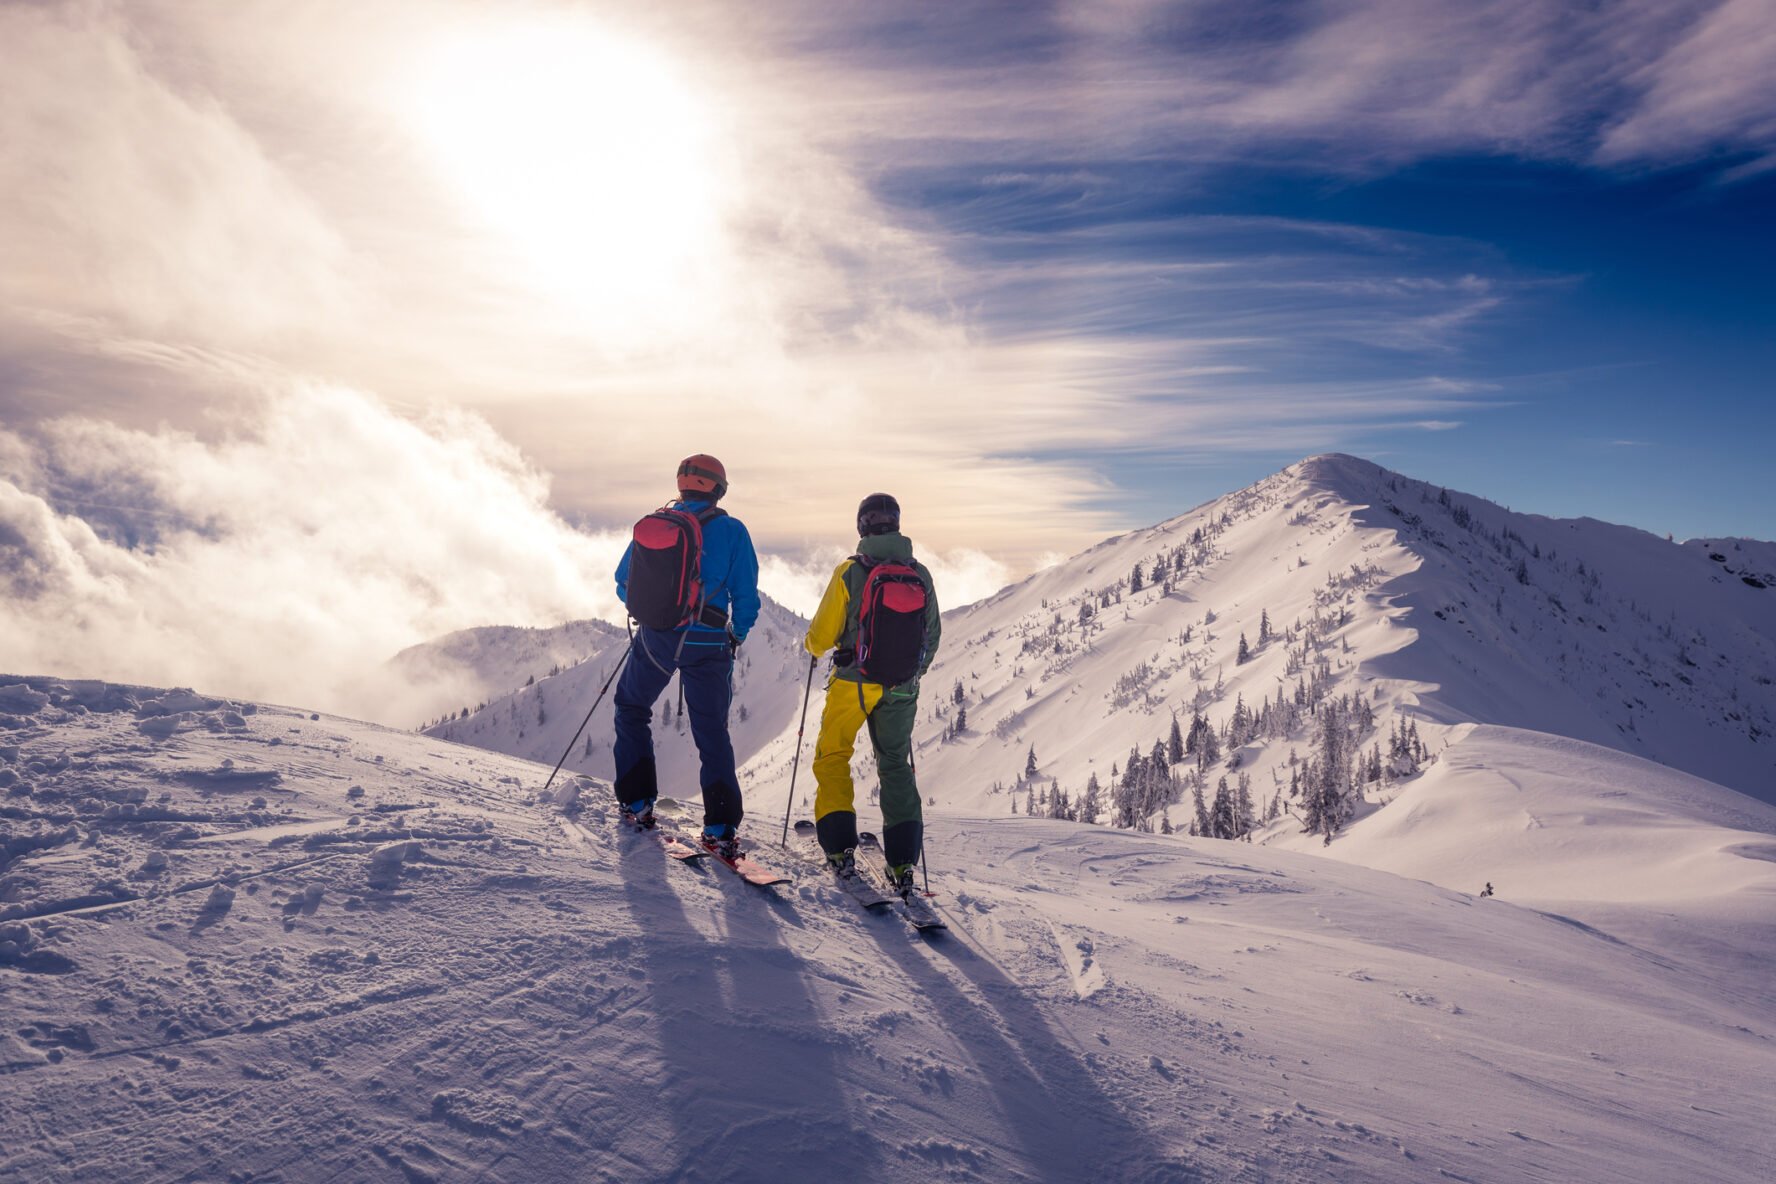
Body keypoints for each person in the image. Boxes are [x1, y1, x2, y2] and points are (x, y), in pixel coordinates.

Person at [613, 455, 760, 856]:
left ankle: (638, 804)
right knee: (712, 733)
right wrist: (736, 635)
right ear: (718, 488)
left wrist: (655, 614)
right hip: (709, 643)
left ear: (681, 485)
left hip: (658, 639)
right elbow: (746, 596)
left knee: (631, 707)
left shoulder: (657, 526)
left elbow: (622, 581)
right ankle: (720, 827)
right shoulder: (732, 530)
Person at [804, 493, 941, 892]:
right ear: (896, 525)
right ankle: (902, 863)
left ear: (862, 526)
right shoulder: (920, 573)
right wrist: (909, 675)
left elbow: (822, 635)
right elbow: (931, 635)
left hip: (853, 683)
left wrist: (812, 647)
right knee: (896, 765)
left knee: (833, 755)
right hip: (901, 688)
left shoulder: (850, 572)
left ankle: (838, 846)